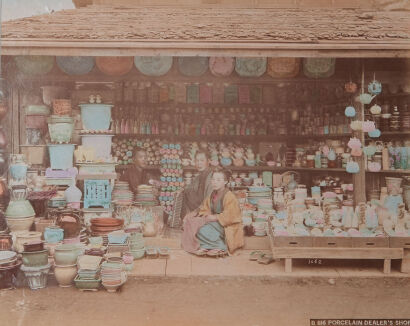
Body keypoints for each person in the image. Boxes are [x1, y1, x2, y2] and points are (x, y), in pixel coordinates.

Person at [182, 167, 244, 257]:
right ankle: (209, 246)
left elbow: (232, 215)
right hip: (216, 224)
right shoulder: (213, 194)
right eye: (213, 179)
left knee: (202, 229)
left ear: (226, 182)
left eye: (218, 180)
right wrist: (194, 213)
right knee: (195, 225)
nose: (215, 182)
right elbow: (204, 207)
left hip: (228, 225)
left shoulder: (229, 196)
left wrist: (216, 217)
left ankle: (221, 246)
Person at [181, 150, 213, 219]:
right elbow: (188, 189)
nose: (199, 163)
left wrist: (194, 213)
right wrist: (181, 190)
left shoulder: (212, 177)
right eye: (197, 161)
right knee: (184, 193)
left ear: (208, 161)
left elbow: (209, 201)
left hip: (209, 210)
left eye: (202, 160)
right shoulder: (198, 177)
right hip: (200, 209)